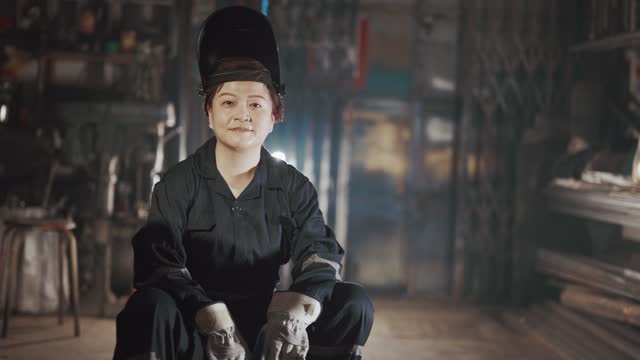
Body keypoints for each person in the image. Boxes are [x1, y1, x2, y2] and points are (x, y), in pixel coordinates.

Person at [113, 6, 374, 360]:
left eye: (256, 103)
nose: (242, 114)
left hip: (271, 332)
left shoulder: (293, 187)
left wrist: (294, 314)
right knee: (147, 307)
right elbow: (158, 266)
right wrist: (209, 316)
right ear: (209, 113)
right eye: (228, 102)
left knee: (354, 302)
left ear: (275, 115)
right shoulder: (176, 186)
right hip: (197, 328)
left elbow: (320, 256)